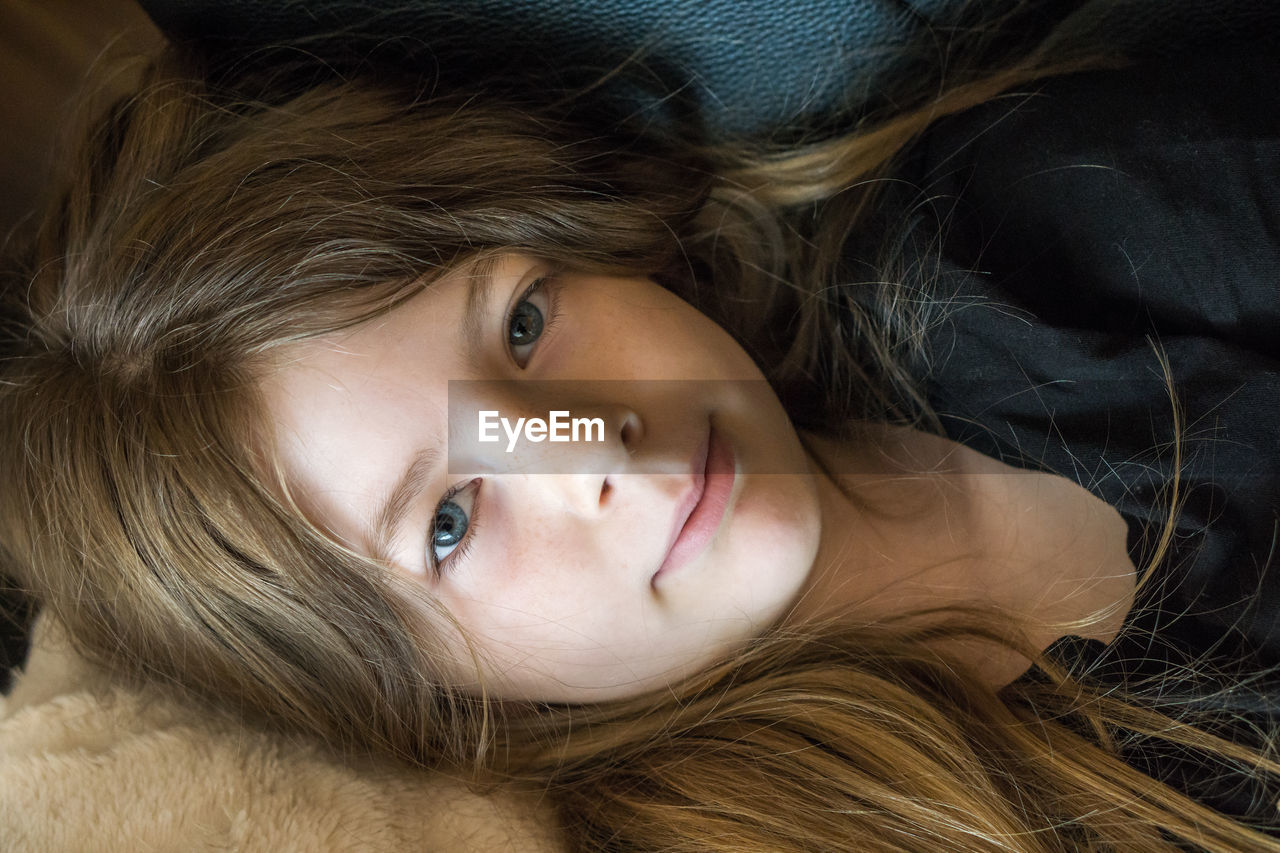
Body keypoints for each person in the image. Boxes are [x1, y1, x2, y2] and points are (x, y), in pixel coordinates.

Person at [1, 27, 1278, 851]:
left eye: (523, 326)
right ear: (424, 696)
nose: (593, 448)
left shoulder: (1056, 220)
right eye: (449, 518)